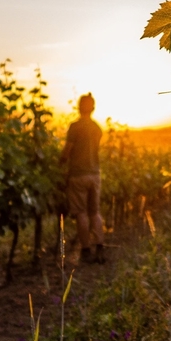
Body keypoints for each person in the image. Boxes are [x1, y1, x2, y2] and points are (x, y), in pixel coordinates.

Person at [60, 93, 105, 264]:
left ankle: (86, 251)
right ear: (93, 108)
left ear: (79, 107)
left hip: (78, 174)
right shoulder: (97, 128)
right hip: (95, 174)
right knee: (95, 212)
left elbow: (68, 150)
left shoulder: (75, 127)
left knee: (81, 213)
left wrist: (60, 162)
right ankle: (100, 248)